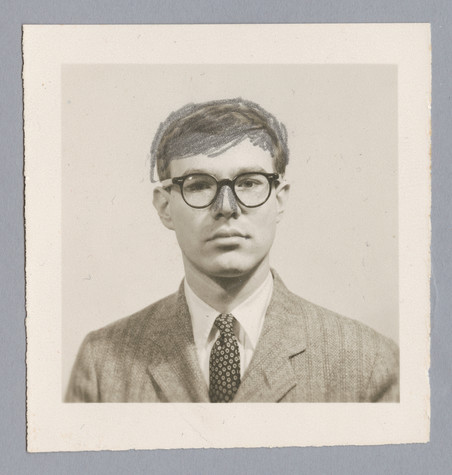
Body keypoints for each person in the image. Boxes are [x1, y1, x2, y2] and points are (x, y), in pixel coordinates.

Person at [66, 98, 399, 403]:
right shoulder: (102, 364)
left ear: (279, 199)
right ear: (164, 206)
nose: (226, 208)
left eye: (249, 182)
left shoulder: (367, 363)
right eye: (199, 184)